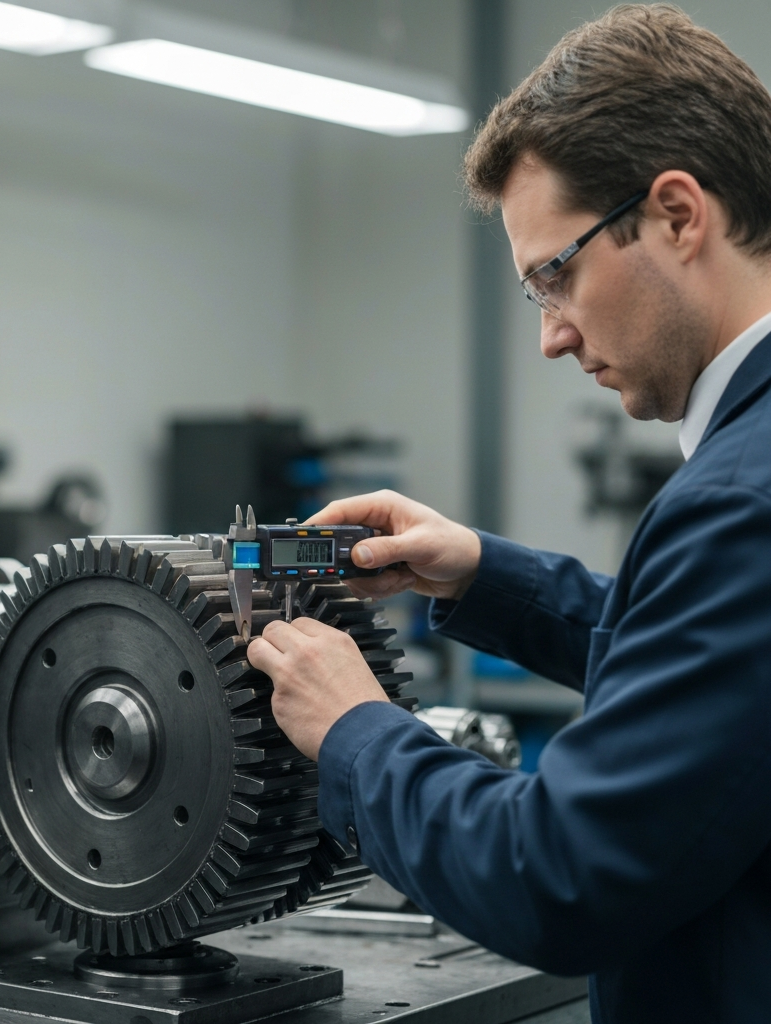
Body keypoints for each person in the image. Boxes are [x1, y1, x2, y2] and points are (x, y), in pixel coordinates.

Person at [245, 6, 771, 1023]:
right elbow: (717, 675)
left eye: (554, 275)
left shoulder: (737, 501)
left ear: (675, 213)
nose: (552, 336)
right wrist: (485, 572)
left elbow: (556, 876)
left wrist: (355, 729)